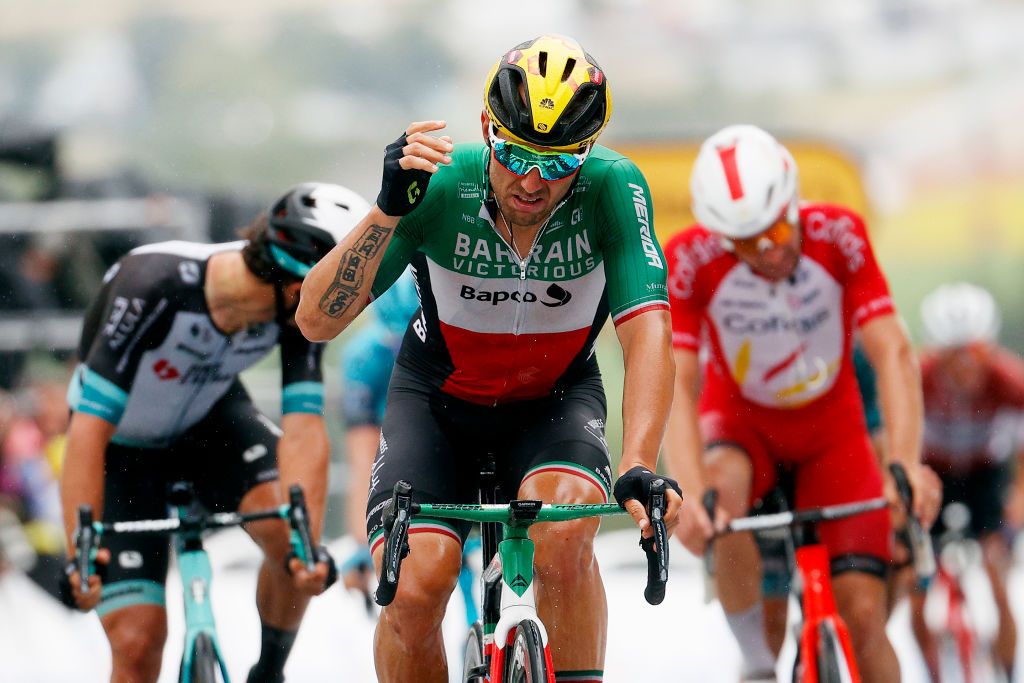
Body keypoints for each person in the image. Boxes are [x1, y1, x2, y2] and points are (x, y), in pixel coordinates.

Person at [296, 34, 683, 683]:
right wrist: (387, 211)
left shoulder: (613, 189)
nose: (532, 181)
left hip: (556, 403)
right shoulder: (441, 186)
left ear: (586, 155)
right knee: (416, 588)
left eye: (558, 164)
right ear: (485, 129)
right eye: (513, 154)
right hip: (437, 405)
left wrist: (640, 458)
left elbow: (648, 332)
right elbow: (315, 318)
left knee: (563, 536)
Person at [661, 124, 941, 683]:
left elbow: (892, 352)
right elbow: (676, 382)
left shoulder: (839, 232)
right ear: (718, 234)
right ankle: (760, 667)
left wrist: (906, 462)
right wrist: (689, 491)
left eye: (778, 229)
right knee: (718, 494)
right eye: (745, 243)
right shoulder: (689, 258)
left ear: (794, 200)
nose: (769, 251)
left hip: (832, 434)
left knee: (864, 619)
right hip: (742, 430)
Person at [59, 182, 364, 683]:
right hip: (120, 451)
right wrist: (80, 553)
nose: (343, 311)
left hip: (211, 426)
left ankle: (269, 672)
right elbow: (87, 433)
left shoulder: (298, 315)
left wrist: (307, 547)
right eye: (341, 295)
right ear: (296, 286)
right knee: (138, 645)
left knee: (291, 546)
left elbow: (304, 428)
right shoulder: (152, 283)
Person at [911, 282, 1024, 681]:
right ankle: (932, 671)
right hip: (932, 476)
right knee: (916, 589)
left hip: (985, 475)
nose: (964, 366)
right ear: (934, 353)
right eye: (951, 356)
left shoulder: (1010, 382)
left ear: (989, 348)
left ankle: (1010, 672)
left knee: (997, 578)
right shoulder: (916, 380)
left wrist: (1017, 501)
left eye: (974, 353)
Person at [337, 269, 418, 592]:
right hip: (394, 447)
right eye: (394, 343)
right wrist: (363, 540)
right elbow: (364, 463)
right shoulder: (363, 356)